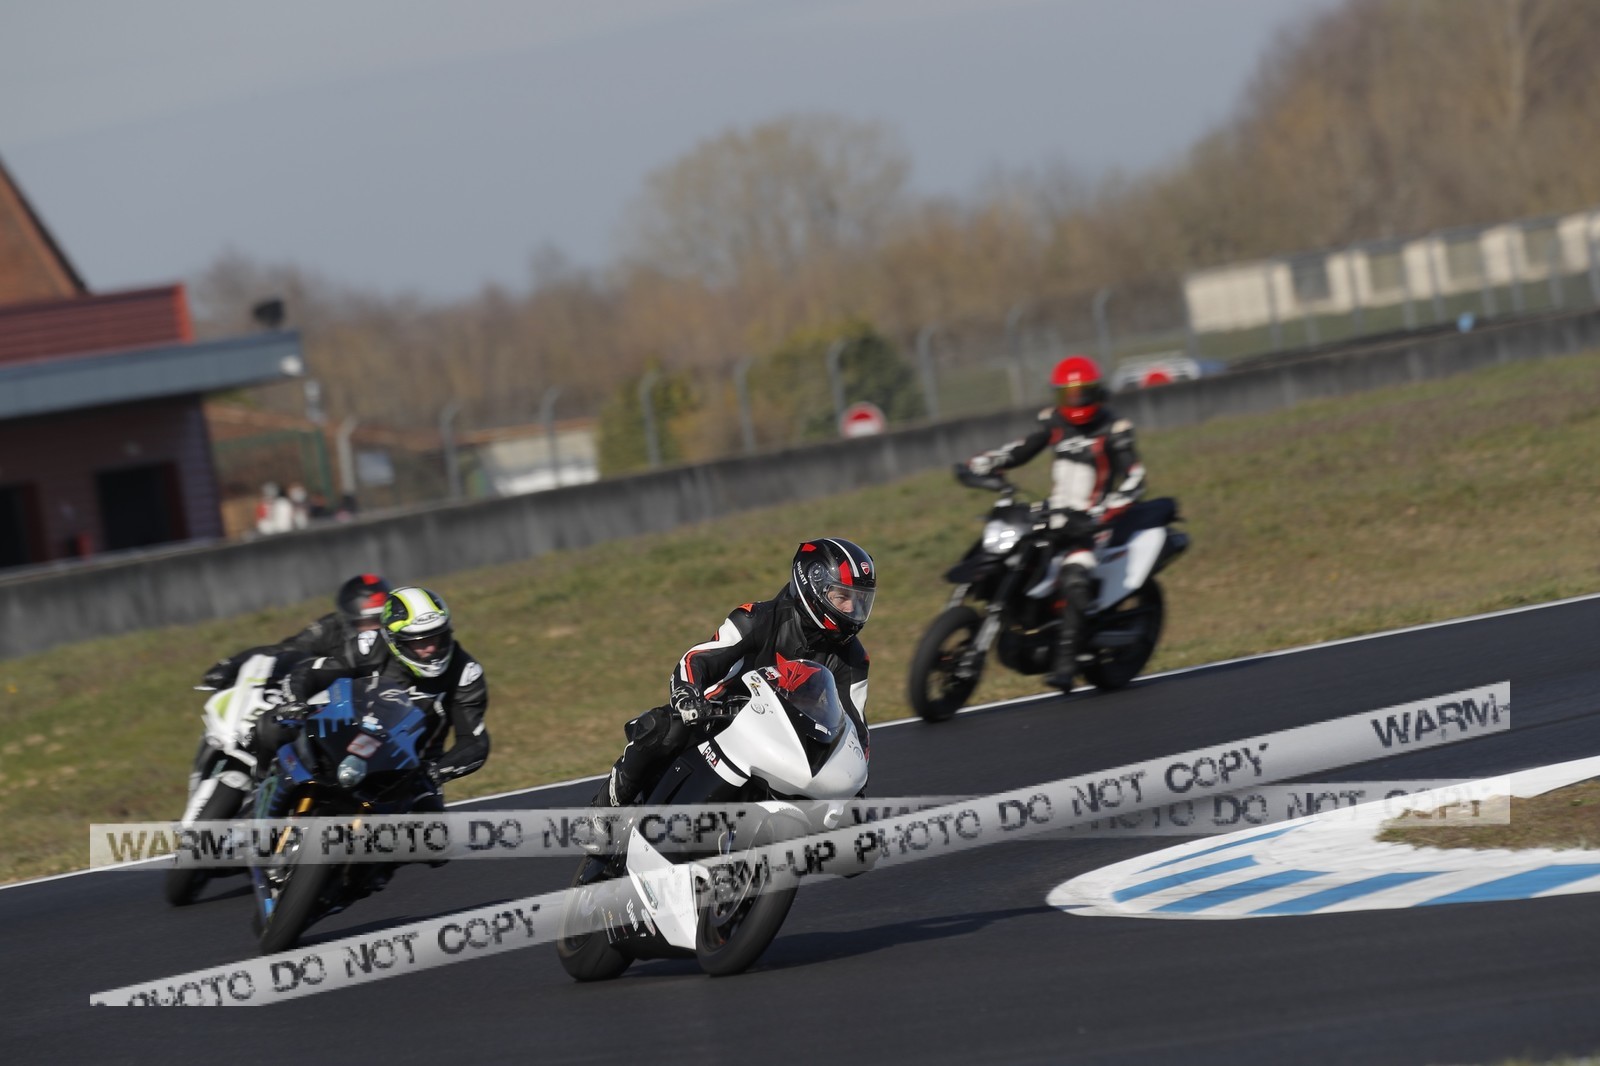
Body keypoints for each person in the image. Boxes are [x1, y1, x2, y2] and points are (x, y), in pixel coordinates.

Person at [593, 538, 876, 810]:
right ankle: (604, 810)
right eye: (843, 597)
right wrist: (687, 695)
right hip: (720, 720)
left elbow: (856, 729)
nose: (852, 609)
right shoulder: (756, 618)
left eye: (860, 601)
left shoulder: (853, 658)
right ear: (813, 585)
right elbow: (698, 659)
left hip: (791, 744)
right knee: (662, 728)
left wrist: (854, 782)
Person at [965, 354, 1146, 689]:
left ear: (1096, 392)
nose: (1074, 400)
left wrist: (1101, 515)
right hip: (1055, 515)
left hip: (1092, 525)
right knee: (1014, 554)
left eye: (1081, 393)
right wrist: (984, 463)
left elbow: (1135, 479)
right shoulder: (1055, 423)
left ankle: (1066, 662)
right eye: (1067, 394)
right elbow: (1020, 449)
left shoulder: (1115, 430)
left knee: (1075, 576)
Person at [267, 586, 491, 796]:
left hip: (410, 773)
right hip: (343, 744)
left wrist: (437, 771)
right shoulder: (370, 647)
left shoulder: (465, 672)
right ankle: (258, 784)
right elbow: (309, 673)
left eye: (436, 636)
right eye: (419, 642)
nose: (431, 648)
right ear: (395, 640)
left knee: (431, 816)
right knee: (272, 726)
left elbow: (474, 741)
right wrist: (295, 702)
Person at [197, 573, 394, 693]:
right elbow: (288, 649)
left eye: (381, 622)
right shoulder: (331, 628)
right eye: (368, 624)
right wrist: (232, 664)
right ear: (349, 621)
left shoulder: (403, 643)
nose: (375, 631)